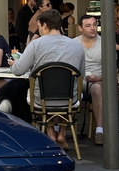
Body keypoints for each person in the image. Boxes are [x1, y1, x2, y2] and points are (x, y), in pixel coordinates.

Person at [8, 10, 85, 148]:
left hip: (41, 100)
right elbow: (82, 75)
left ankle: (50, 134)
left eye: (38, 26)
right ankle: (61, 135)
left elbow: (18, 71)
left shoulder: (36, 45)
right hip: (70, 100)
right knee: (64, 94)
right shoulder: (77, 45)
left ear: (44, 25)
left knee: (43, 94)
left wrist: (15, 64)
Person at [75, 15, 104, 145]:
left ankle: (99, 130)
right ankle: (59, 131)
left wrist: (99, 78)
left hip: (97, 80)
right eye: (88, 26)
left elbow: (112, 70)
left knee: (97, 88)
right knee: (62, 86)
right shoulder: (73, 43)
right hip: (77, 80)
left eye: (94, 24)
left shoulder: (104, 43)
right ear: (80, 28)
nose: (93, 28)